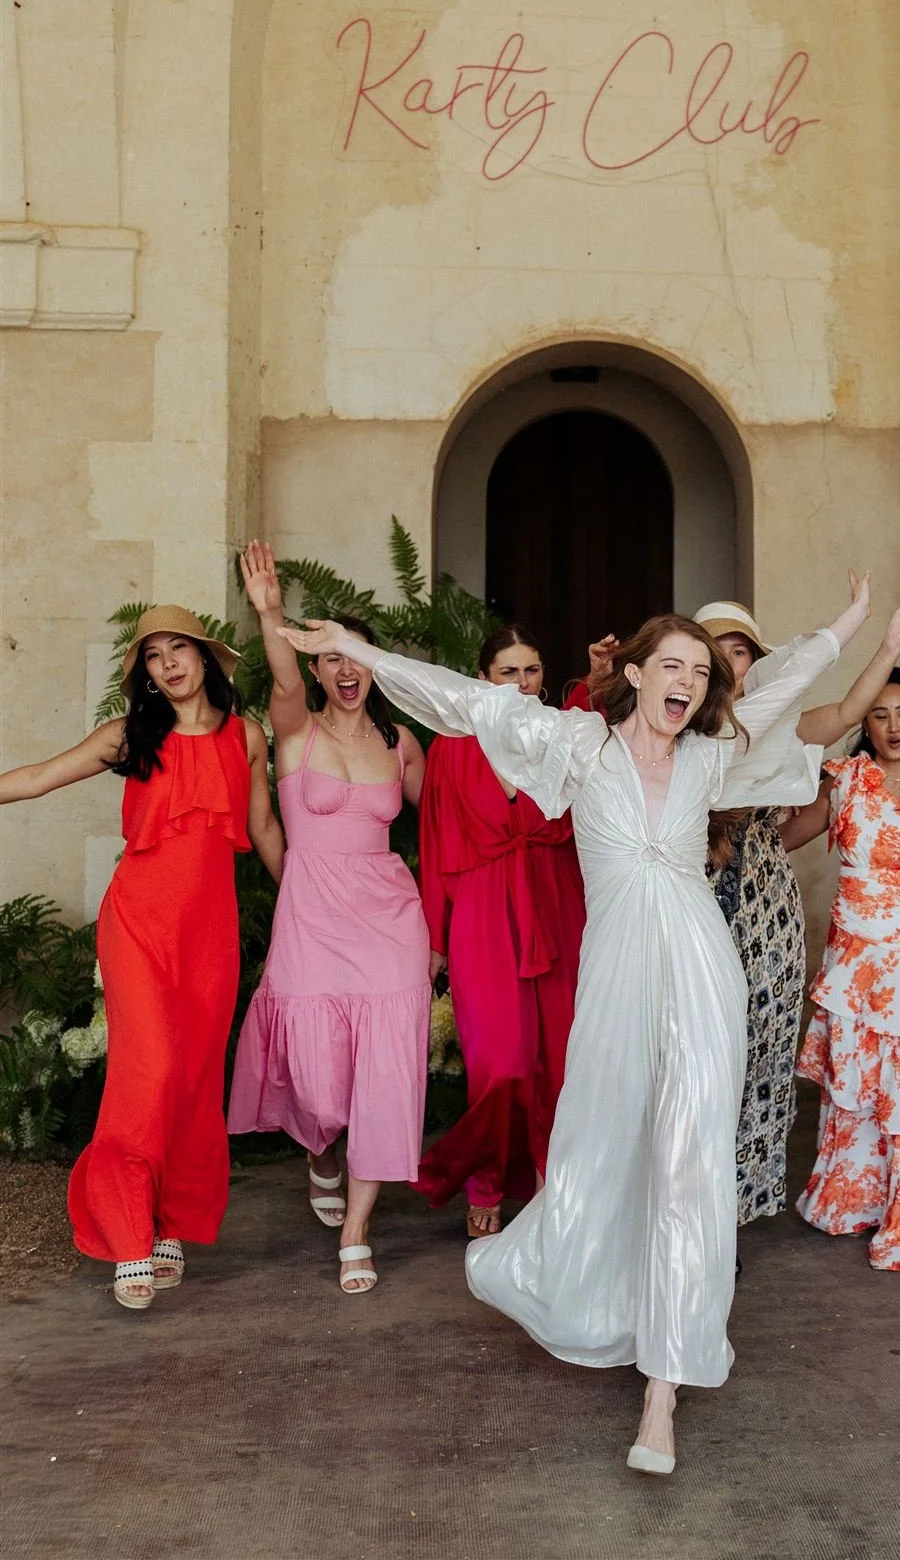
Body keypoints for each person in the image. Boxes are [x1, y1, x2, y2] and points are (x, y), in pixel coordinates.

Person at [280, 584, 868, 1476]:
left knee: (685, 1158)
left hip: (704, 977)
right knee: (603, 1148)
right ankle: (583, 1288)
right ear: (633, 673)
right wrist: (364, 658)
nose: (685, 680)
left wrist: (849, 625)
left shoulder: (711, 755)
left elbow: (783, 690)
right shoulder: (578, 746)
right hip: (616, 982)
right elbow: (462, 699)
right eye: (670, 663)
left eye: (699, 672)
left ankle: (663, 1390)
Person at [0, 605, 282, 1308]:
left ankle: (171, 1223)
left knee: (190, 1080)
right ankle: (128, 1232)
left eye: (177, 648)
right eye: (152, 656)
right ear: (146, 676)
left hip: (209, 936)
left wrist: (312, 903)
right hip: (137, 925)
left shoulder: (245, 736)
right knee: (146, 1071)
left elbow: (266, 827)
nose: (167, 664)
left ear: (205, 658)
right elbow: (36, 778)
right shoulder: (129, 735)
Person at [695, 581, 900, 1232]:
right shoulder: (671, 729)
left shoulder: (786, 726)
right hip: (688, 897)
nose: (728, 664)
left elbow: (855, 708)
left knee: (762, 1046)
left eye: (740, 652)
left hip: (763, 903)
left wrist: (887, 640)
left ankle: (738, 1203)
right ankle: (685, 1199)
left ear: (756, 662)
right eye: (713, 653)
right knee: (696, 1049)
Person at [227, 543, 427, 1296]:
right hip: (312, 917)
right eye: (332, 658)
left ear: (375, 666)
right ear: (316, 668)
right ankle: (321, 1150)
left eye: (359, 656)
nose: (347, 670)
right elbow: (277, 676)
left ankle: (356, 1232)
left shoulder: (398, 742)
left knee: (384, 1073)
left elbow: (448, 821)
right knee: (315, 1080)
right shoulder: (293, 730)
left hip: (389, 920)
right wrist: (271, 612)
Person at [782, 666, 900, 1270]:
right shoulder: (843, 780)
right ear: (863, 721)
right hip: (856, 964)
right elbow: (782, 838)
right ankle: (855, 1199)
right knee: (860, 1085)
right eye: (879, 714)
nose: (893, 727)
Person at [415, 623, 586, 1235]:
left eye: (532, 670)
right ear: (483, 678)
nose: (522, 682)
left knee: (560, 1061)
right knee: (500, 1064)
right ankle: (484, 1178)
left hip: (557, 905)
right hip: (484, 912)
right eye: (508, 671)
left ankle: (551, 1182)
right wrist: (435, 939)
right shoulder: (451, 747)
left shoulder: (564, 737)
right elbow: (433, 847)